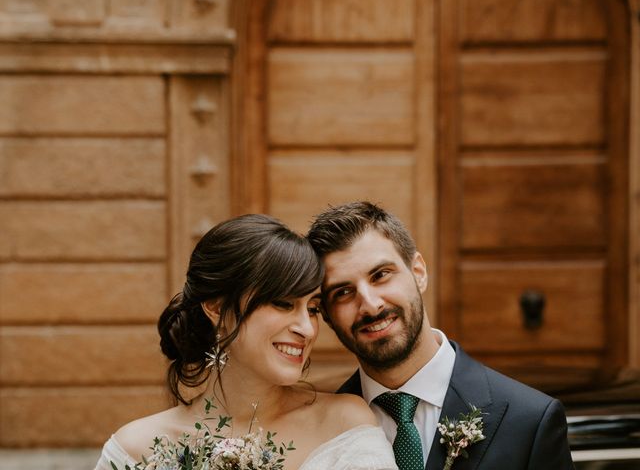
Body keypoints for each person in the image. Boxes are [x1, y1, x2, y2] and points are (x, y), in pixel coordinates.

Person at [94, 214, 397, 470]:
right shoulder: (136, 450)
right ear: (215, 307)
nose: (306, 328)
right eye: (282, 303)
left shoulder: (343, 424)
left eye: (313, 309)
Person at [307, 201, 575, 470]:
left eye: (381, 275)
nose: (370, 305)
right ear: (327, 314)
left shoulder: (530, 421)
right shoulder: (316, 434)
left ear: (418, 272)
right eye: (342, 292)